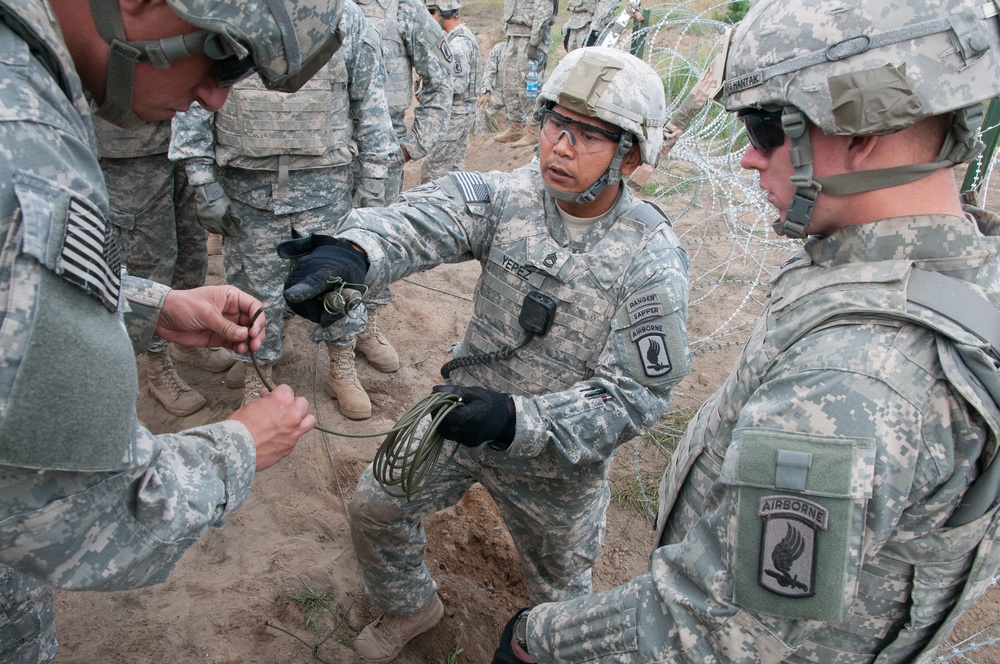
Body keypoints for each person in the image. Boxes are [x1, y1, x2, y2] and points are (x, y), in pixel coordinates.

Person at [491, 1, 1000, 662]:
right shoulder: (944, 273)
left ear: (860, 128)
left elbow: (713, 625)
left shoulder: (855, 377)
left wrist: (538, 638)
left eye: (765, 129)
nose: (747, 159)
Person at [280, 46, 690, 663]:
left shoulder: (651, 258)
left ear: (631, 154)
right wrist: (353, 253)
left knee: (561, 600)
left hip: (558, 466)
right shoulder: (511, 197)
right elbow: (423, 218)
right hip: (459, 419)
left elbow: (636, 398)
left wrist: (516, 421)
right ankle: (410, 604)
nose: (561, 146)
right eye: (556, 122)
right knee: (377, 505)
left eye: (590, 135)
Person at [0, 0, 342, 659]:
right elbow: (69, 518)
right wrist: (239, 446)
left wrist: (151, 305)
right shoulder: (21, 144)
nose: (216, 98)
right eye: (223, 56)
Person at [169, 0, 397, 417]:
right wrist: (202, 180)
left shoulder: (342, 17)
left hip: (326, 186)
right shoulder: (228, 12)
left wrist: (374, 180)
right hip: (248, 190)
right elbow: (198, 96)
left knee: (339, 283)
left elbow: (370, 103)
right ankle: (259, 373)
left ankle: (341, 367)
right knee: (256, 292)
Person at [95, 118, 236, 417]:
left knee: (191, 249)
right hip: (131, 144)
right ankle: (157, 364)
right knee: (150, 259)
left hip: (185, 138)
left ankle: (186, 342)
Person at [419, 0, 481, 183]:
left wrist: (430, 87)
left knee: (432, 171)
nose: (429, 18)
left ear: (442, 12)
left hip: (455, 115)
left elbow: (459, 84)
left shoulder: (458, 44)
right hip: (461, 114)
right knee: (454, 170)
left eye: (431, 12)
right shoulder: (461, 38)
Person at [494, 0, 556, 144]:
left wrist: (534, 42)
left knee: (529, 86)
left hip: (530, 38)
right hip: (514, 35)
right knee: (509, 84)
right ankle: (515, 126)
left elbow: (544, 13)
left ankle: (534, 128)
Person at [476, 42, 507, 135]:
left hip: (519, 95)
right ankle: (481, 139)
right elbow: (489, 72)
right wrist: (486, 92)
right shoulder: (499, 48)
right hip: (500, 92)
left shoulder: (527, 50)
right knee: (481, 108)